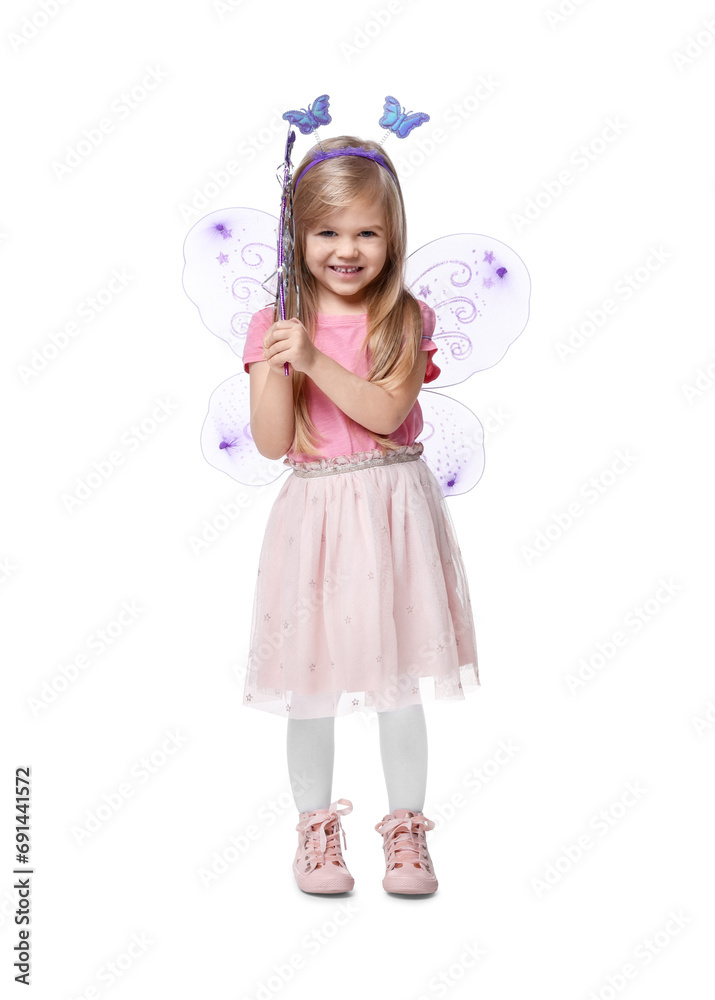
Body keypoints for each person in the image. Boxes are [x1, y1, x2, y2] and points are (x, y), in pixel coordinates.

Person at [240, 132, 480, 896]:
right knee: (309, 677)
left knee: (396, 678)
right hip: (315, 514)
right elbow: (273, 441)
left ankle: (406, 832)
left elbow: (385, 412)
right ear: (297, 236)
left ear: (392, 236)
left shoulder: (402, 318)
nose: (347, 249)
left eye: (367, 232)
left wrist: (314, 360)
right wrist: (278, 365)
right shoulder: (274, 322)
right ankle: (315, 832)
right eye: (327, 232)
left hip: (390, 511)